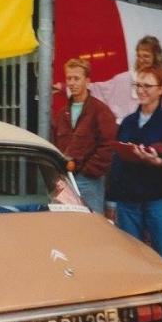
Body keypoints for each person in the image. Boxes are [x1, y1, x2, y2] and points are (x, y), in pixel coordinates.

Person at [108, 66, 162, 280]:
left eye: (147, 86)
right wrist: (112, 200)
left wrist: (159, 161)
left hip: (159, 199)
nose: (141, 90)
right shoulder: (128, 122)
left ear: (161, 89)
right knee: (130, 257)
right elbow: (117, 162)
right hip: (128, 200)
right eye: (138, 85)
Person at [55, 35, 162, 131]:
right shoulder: (125, 79)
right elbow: (98, 89)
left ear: (156, 57)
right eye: (139, 55)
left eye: (146, 56)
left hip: (160, 141)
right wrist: (65, 87)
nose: (141, 60)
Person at [50, 58, 117, 213]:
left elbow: (108, 146)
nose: (72, 83)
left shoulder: (100, 111)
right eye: (69, 78)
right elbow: (55, 144)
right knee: (64, 221)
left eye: (77, 78)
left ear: (87, 81)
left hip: (89, 180)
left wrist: (88, 172)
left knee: (91, 223)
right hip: (65, 179)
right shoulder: (62, 113)